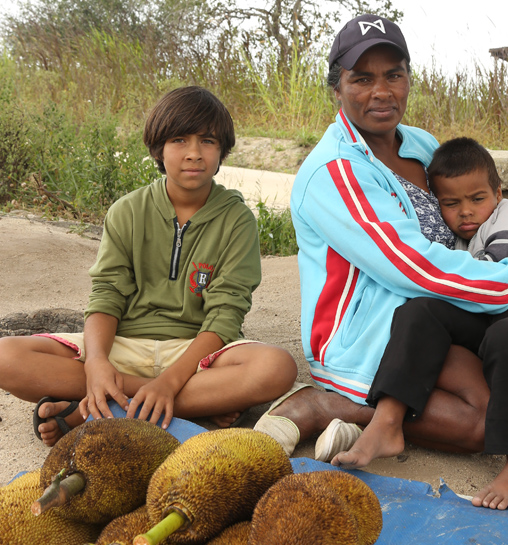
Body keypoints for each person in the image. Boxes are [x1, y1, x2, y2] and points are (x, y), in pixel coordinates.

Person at [255, 15, 508, 508]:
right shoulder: (334, 171)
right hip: (372, 327)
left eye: (394, 74)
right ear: (337, 87)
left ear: (409, 78)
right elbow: (413, 266)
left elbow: (467, 234)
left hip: (439, 309)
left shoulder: (421, 146)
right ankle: (328, 404)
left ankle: (378, 408)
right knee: (483, 419)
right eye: (361, 78)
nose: (380, 90)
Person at [0, 86, 297, 447]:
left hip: (195, 353)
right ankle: (181, 405)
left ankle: (104, 406)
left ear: (222, 152)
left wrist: (170, 381)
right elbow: (106, 295)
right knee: (7, 357)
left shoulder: (237, 220)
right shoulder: (127, 210)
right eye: (178, 140)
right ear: (158, 149)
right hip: (122, 346)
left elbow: (225, 315)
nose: (193, 153)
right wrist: (95, 364)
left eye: (207, 141)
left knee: (277, 368)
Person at [331, 137, 508, 509]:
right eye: (451, 203)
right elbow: (455, 289)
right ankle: (388, 422)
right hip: (487, 318)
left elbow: (491, 280)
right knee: (419, 310)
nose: (466, 212)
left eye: (477, 199)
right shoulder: (457, 240)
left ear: (498, 192)